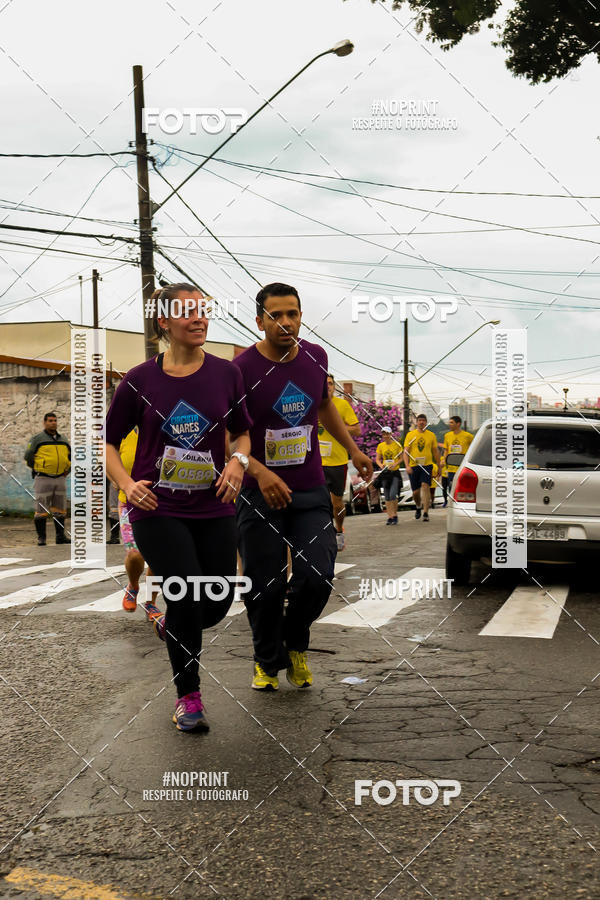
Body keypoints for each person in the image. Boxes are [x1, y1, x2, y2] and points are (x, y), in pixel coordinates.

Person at [105, 283, 252, 733]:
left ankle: (174, 624)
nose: (199, 319)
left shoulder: (227, 375)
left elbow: (242, 434)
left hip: (214, 505)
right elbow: (109, 443)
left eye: (204, 311)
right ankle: (188, 699)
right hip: (157, 506)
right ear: (164, 322)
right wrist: (128, 485)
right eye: (188, 312)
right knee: (187, 589)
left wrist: (237, 463)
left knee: (217, 598)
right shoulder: (140, 380)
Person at [234, 282, 372, 692]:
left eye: (292, 314)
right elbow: (228, 434)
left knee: (317, 573)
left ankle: (295, 643)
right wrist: (259, 472)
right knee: (264, 583)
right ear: (259, 320)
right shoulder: (240, 370)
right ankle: (265, 659)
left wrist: (354, 450)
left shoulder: (315, 357)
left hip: (309, 488)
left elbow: (324, 405)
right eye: (275, 315)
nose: (286, 323)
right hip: (258, 492)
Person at [115, 427, 160, 621]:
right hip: (129, 503)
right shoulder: (123, 432)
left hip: (162, 502)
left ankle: (151, 603)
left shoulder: (160, 430)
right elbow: (108, 460)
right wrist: (118, 481)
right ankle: (133, 585)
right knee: (134, 555)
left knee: (159, 558)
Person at [318, 374, 361, 551]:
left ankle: (338, 530)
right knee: (319, 501)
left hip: (337, 461)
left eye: (330, 384)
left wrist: (334, 425)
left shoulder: (342, 405)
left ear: (334, 387)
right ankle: (323, 534)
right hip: (315, 461)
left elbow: (357, 430)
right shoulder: (312, 403)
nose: (327, 387)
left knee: (337, 503)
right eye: (324, 383)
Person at [24, 412, 71, 546]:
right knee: (41, 509)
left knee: (60, 509)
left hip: (60, 479)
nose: (53, 423)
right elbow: (28, 456)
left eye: (55, 420)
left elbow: (70, 456)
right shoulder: (37, 439)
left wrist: (68, 469)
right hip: (43, 478)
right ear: (44, 423)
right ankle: (42, 538)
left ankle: (60, 537)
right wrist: (37, 467)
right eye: (50, 421)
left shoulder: (63, 439)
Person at [403, 413, 441, 523]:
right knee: (415, 492)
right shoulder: (410, 435)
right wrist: (407, 465)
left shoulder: (431, 435)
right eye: (419, 420)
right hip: (414, 466)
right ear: (416, 422)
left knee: (425, 486)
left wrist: (438, 466)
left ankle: (425, 512)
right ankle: (418, 506)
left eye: (423, 420)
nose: (421, 422)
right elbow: (406, 452)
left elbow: (435, 451)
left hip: (427, 465)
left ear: (426, 422)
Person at [375, 427, 404, 525]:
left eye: (387, 434)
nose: (386, 436)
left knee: (393, 494)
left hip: (394, 473)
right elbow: (377, 459)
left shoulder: (397, 445)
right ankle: (390, 516)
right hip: (385, 473)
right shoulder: (380, 446)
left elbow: (401, 458)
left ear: (391, 434)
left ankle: (395, 514)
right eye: (384, 434)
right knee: (387, 496)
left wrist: (395, 464)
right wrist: (381, 465)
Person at [442, 416, 474, 493]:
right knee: (451, 487)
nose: (449, 424)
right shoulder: (447, 435)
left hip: (463, 468)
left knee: (463, 487)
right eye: (449, 422)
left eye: (451, 422)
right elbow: (446, 450)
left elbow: (473, 449)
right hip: (451, 468)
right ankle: (451, 503)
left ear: (458, 424)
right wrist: (443, 460)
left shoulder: (468, 436)